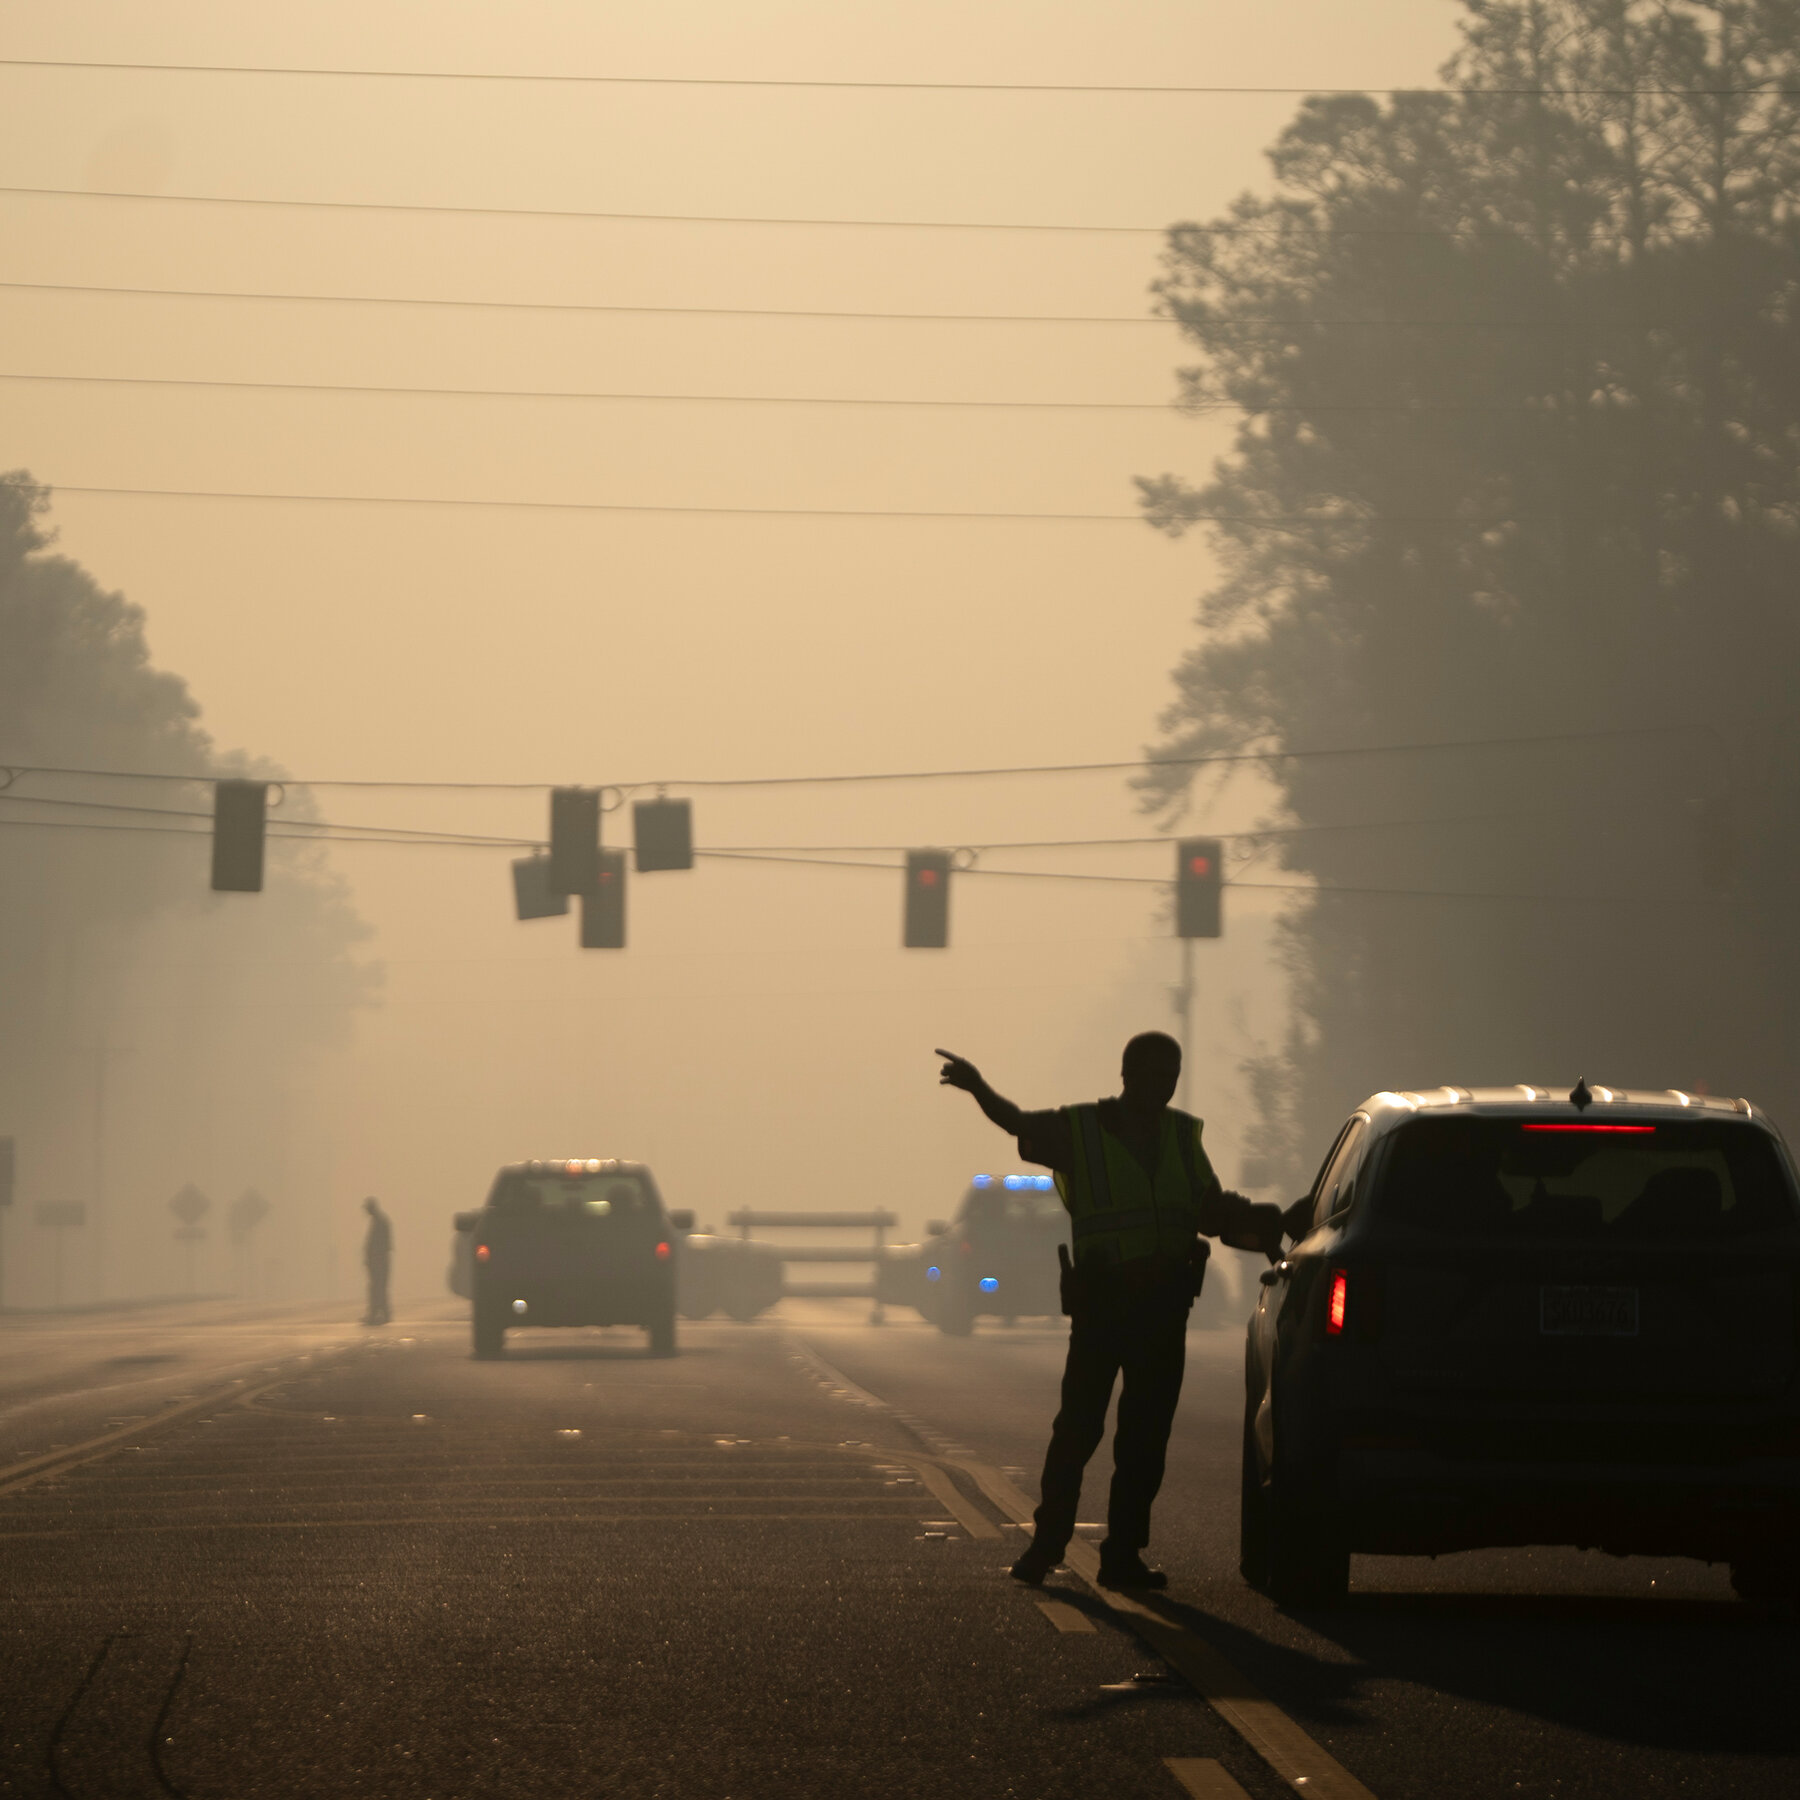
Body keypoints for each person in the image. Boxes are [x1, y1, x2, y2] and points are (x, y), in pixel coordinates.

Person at [937, 1032, 1286, 1590]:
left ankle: (1122, 1555)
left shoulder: (1181, 1136)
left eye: (1171, 1074)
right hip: (1103, 1310)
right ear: (1126, 1075)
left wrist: (1270, 1222)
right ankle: (1046, 1545)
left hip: (1163, 1314)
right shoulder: (1082, 1131)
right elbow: (1020, 1124)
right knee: (1077, 1431)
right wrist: (978, 1088)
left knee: (1145, 1441)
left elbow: (1211, 1211)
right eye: (1153, 1073)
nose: (1163, 1085)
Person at [361, 1196, 392, 1326]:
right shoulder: (380, 1220)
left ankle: (376, 1314)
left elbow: (378, 1243)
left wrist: (373, 1257)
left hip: (379, 1260)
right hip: (379, 1259)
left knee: (377, 1287)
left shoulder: (379, 1221)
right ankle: (383, 1313)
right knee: (379, 1287)